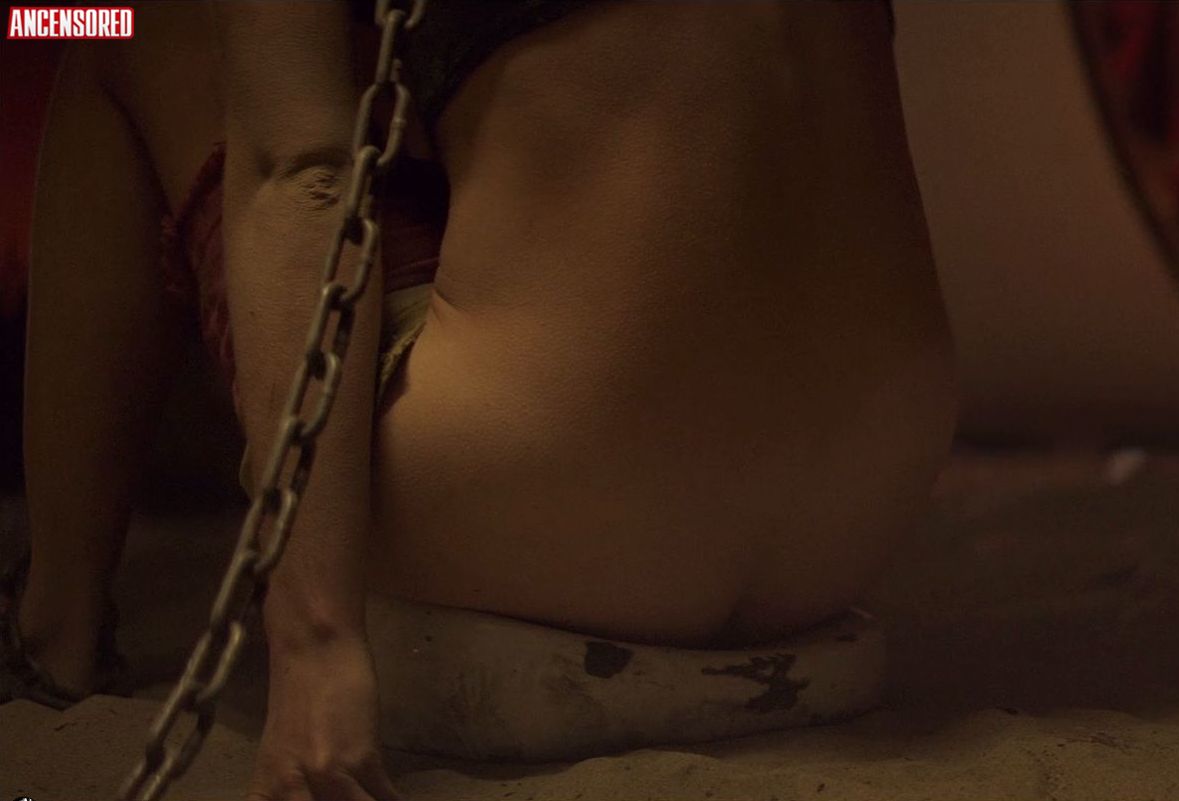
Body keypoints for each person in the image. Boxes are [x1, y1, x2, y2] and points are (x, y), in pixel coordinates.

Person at [1, 2, 956, 798]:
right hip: (870, 497)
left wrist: (317, 651)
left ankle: (57, 628)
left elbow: (304, 173)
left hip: (558, 491)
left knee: (110, 23)